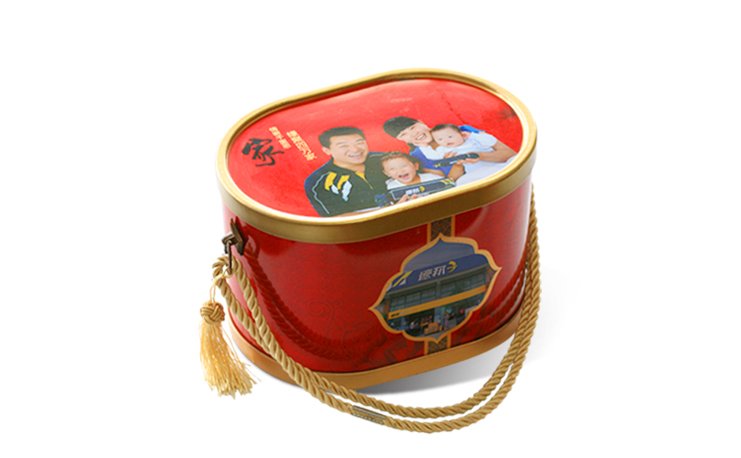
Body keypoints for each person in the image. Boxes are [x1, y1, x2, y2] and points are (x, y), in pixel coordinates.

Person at [383, 116, 516, 183]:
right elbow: (448, 183)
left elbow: (510, 153)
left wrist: (479, 156)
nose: (413, 134)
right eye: (404, 134)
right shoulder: (417, 156)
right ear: (402, 140)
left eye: (413, 127)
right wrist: (457, 164)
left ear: (421, 122)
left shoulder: (461, 131)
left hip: (505, 172)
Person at [304, 126, 388, 217]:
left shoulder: (385, 159)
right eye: (343, 146)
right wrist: (388, 210)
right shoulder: (318, 182)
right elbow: (335, 218)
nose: (355, 149)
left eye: (359, 143)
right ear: (327, 151)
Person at [429, 124, 517, 185]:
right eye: (440, 139)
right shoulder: (445, 150)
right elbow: (435, 158)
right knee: (461, 182)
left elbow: (491, 140)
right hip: (476, 173)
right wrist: (451, 161)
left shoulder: (473, 140)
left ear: (462, 134)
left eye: (450, 137)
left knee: (513, 160)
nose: (446, 141)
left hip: (495, 166)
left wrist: (473, 136)